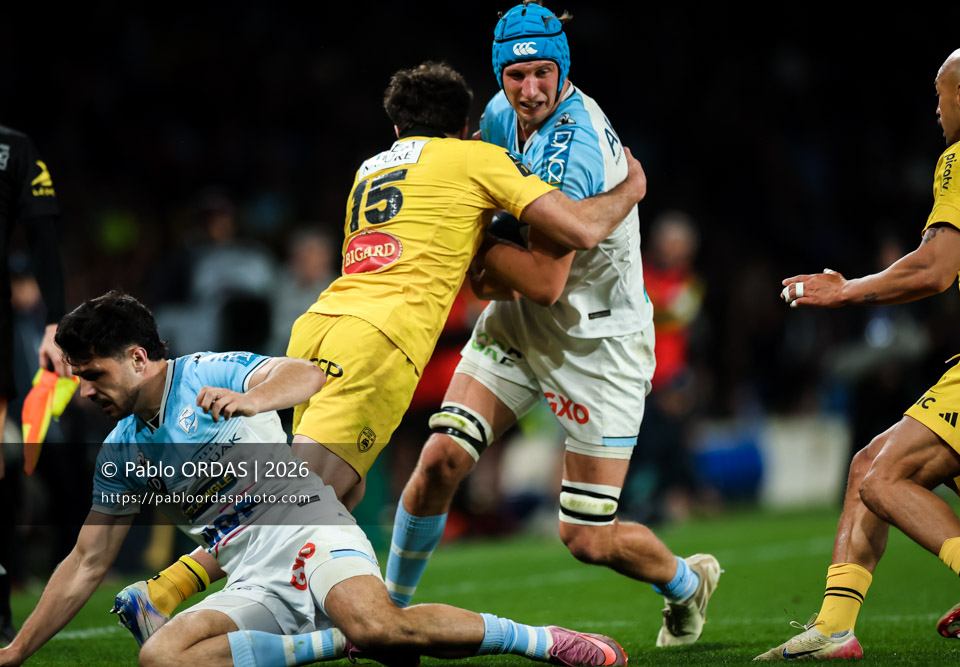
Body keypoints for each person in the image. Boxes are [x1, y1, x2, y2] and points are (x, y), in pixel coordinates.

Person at [115, 59, 647, 642]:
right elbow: (575, 232)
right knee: (306, 492)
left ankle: (327, 602)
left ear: (397, 129)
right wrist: (630, 188)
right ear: (467, 125)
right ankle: (165, 591)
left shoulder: (371, 166)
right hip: (378, 341)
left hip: (320, 324)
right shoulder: (477, 158)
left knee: (336, 488)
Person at [0, 290, 629, 667]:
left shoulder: (205, 373)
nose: (85, 391)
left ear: (138, 358)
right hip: (251, 574)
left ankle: (544, 642)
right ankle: (328, 643)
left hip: (310, 534)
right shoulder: (122, 452)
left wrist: (253, 400)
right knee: (161, 656)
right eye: (79, 377)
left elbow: (306, 375)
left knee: (385, 628)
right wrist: (15, 653)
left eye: (96, 375)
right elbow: (84, 561)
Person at [385, 0, 721, 649]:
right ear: (500, 77)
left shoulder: (576, 142)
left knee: (586, 536)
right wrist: (482, 256)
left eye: (542, 73)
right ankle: (386, 613)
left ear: (561, 68)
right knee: (439, 459)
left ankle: (684, 582)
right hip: (519, 327)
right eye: (516, 77)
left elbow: (543, 281)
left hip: (598, 343)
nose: (529, 89)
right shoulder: (495, 117)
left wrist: (474, 254)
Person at [756, 44, 960, 661]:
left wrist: (844, 292)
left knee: (885, 477)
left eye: (939, 95)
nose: (938, 109)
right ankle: (835, 626)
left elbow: (933, 269)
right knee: (868, 466)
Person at [0, 123, 73, 646]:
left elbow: (43, 234)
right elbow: (44, 234)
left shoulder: (15, 149)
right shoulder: (15, 148)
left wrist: (53, 322)